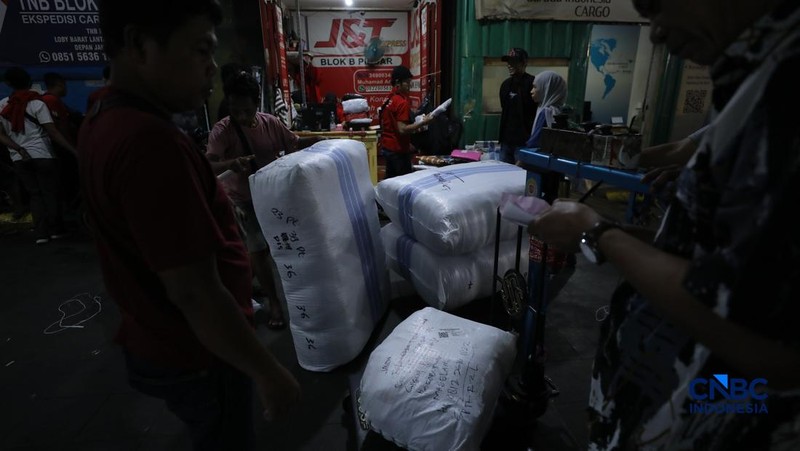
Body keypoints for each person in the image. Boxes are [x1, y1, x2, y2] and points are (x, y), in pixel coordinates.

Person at [529, 0, 800, 449]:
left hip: (720, 410)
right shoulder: (752, 77)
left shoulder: (787, 86)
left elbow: (767, 339)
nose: (655, 32)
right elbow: (724, 259)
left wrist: (599, 232)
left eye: (657, 7)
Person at [79, 1, 301, 449]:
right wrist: (266, 370)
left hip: (168, 340)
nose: (211, 67)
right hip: (202, 353)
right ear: (140, 45)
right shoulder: (149, 144)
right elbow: (195, 291)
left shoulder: (103, 116)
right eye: (201, 49)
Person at [205, 71, 320, 330]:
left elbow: (293, 143)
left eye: (246, 110)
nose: (241, 116)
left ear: (257, 104)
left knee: (270, 248)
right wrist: (231, 163)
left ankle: (243, 284)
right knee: (258, 248)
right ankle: (275, 303)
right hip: (242, 199)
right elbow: (209, 165)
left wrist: (316, 142)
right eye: (235, 110)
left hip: (272, 196)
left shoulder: (270, 123)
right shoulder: (223, 130)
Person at [0, 67, 77, 244]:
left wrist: (18, 148)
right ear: (29, 82)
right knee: (50, 193)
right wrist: (73, 150)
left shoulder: (3, 104)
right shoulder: (37, 103)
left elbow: (1, 135)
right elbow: (53, 132)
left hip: (20, 158)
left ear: (8, 84)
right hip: (42, 154)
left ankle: (41, 234)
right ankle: (57, 230)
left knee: (35, 195)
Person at [379, 65, 433, 178]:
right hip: (398, 152)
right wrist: (423, 123)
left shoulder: (389, 98)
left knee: (390, 182)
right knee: (403, 185)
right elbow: (402, 129)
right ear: (398, 83)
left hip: (388, 148)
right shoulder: (401, 102)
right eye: (407, 83)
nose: (409, 86)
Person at [498, 47, 536, 163]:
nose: (509, 65)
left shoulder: (533, 83)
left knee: (521, 177)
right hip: (506, 141)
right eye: (508, 62)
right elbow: (504, 109)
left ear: (524, 63)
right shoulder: (505, 85)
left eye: (513, 62)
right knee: (504, 175)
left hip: (524, 142)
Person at [525, 70, 567, 149]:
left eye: (535, 87)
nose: (531, 91)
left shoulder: (546, 113)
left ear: (547, 89)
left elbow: (534, 143)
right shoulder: (559, 111)